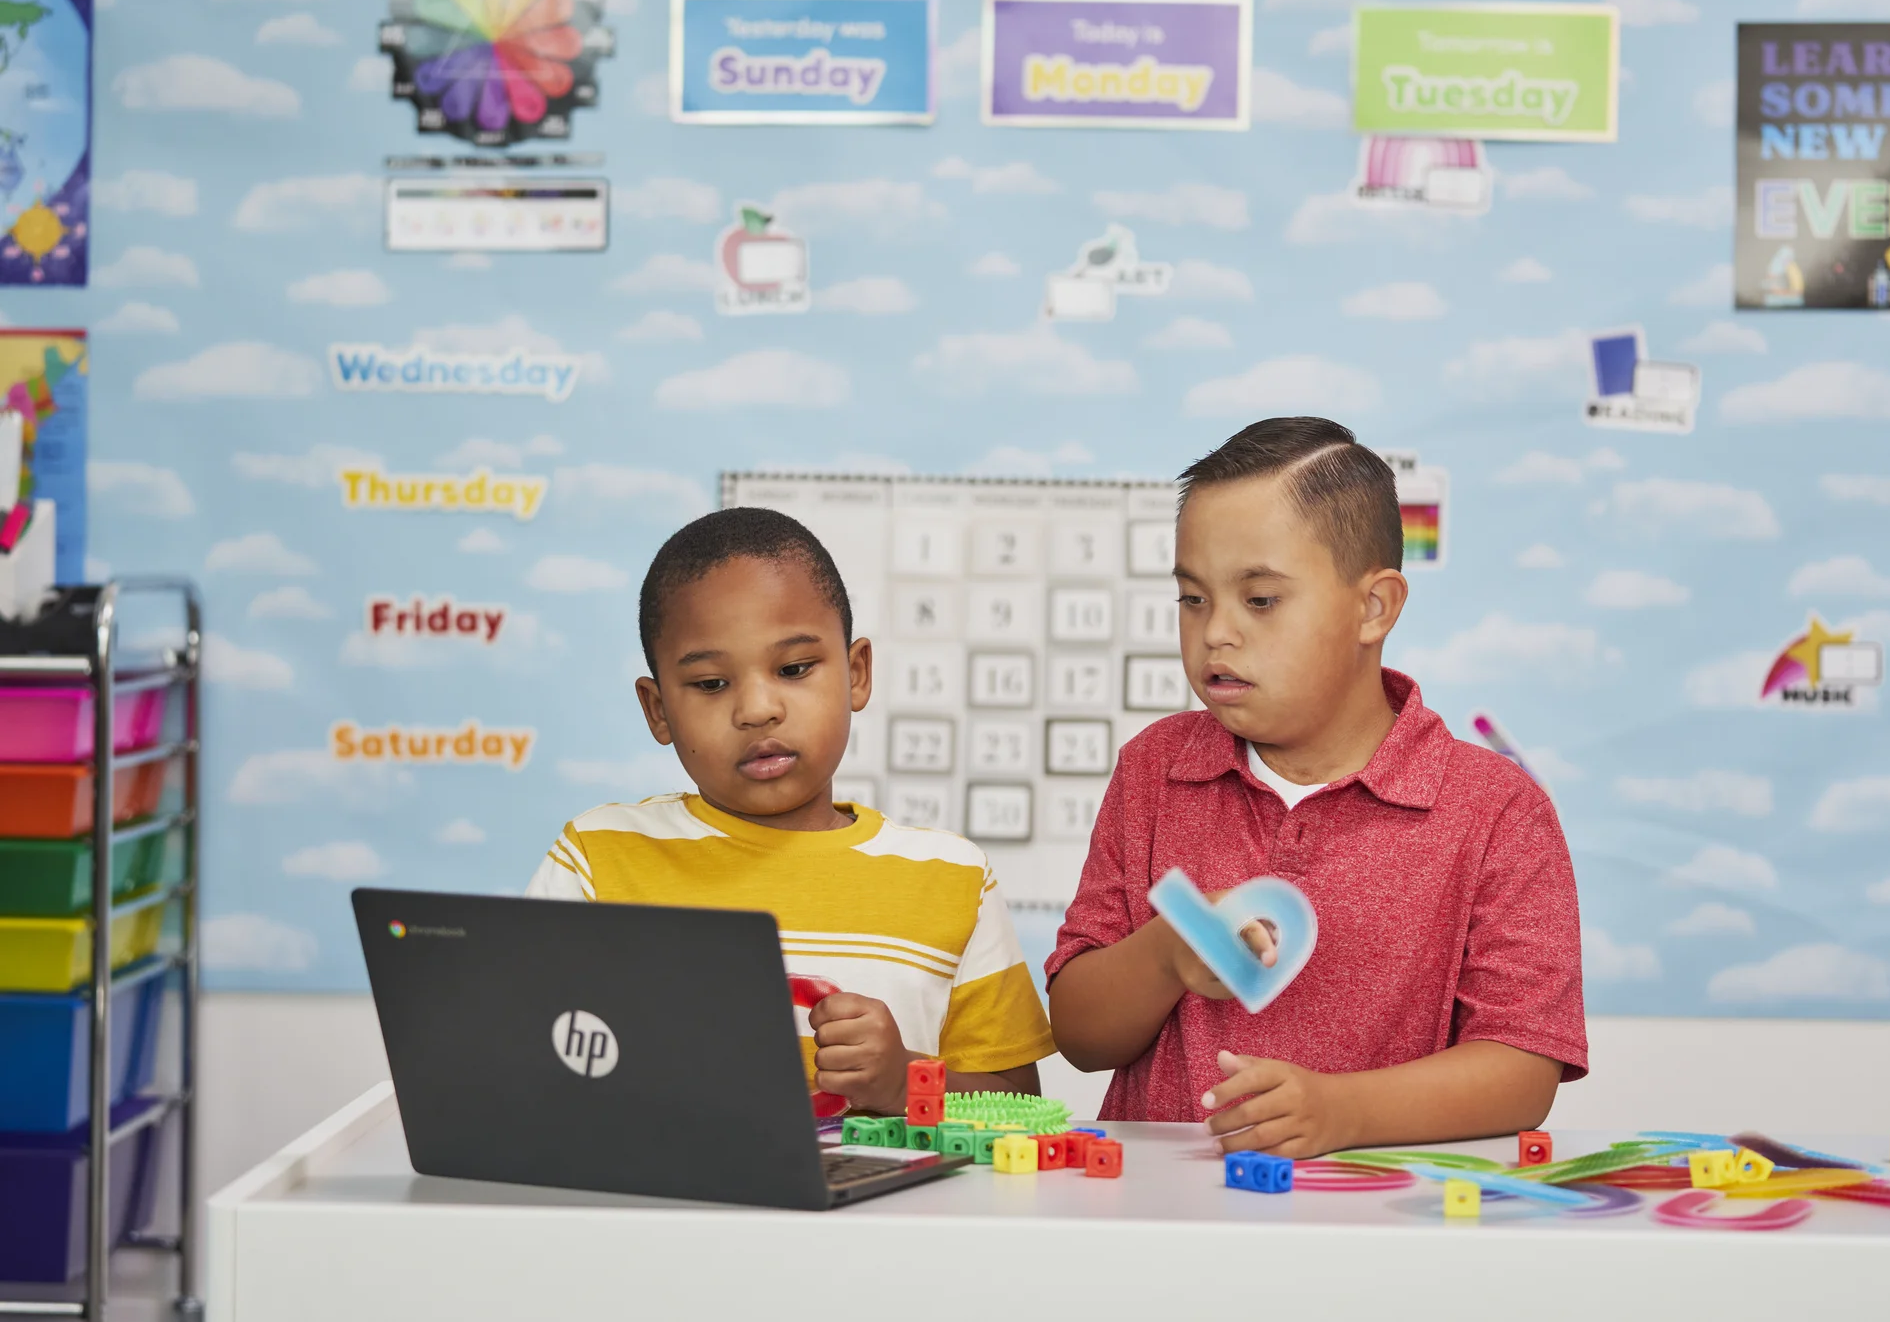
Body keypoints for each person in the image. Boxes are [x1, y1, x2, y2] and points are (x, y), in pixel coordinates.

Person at [1046, 417, 1586, 1157]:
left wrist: (1341, 1112)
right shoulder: (1155, 769)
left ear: (1374, 607)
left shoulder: (1496, 809)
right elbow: (1077, 1033)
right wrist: (1166, 954)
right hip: (1163, 1223)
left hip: (1379, 1229)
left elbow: (1523, 1068)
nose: (1216, 634)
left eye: (1260, 600)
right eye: (1193, 599)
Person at [529, 507, 1053, 1113]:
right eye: (709, 684)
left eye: (794, 669)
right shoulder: (595, 859)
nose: (756, 709)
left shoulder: (953, 878)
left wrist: (904, 1081)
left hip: (885, 1208)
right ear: (658, 711)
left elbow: (1020, 1109)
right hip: (661, 1206)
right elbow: (518, 1055)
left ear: (857, 674)